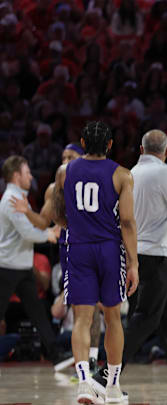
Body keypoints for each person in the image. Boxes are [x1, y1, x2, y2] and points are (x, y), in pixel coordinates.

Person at [91, 130, 167, 398]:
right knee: (145, 319)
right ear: (166, 151)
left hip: (136, 254)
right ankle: (106, 373)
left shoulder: (132, 173)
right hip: (158, 256)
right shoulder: (165, 172)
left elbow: (152, 208)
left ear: (141, 150)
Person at [53, 121, 140, 403]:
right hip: (108, 249)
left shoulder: (65, 172)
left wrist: (78, 226)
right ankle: (112, 385)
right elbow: (126, 222)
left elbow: (58, 213)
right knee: (113, 317)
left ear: (82, 142)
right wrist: (134, 263)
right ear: (111, 145)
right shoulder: (123, 175)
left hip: (77, 247)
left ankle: (83, 383)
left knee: (82, 318)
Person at [11, 143, 105, 372]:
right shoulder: (54, 189)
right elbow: (43, 222)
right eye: (63, 156)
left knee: (94, 306)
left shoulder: (97, 184)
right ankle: (83, 362)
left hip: (93, 247)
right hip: (67, 250)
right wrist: (27, 212)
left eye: (70, 156)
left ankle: (93, 358)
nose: (65, 160)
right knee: (78, 308)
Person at [0, 155, 68, 371]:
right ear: (16, 175)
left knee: (39, 314)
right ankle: (56, 354)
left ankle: (56, 355)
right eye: (27, 172)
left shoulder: (20, 197)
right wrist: (49, 234)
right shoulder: (12, 198)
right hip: (7, 267)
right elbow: (27, 232)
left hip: (21, 266)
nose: (31, 176)